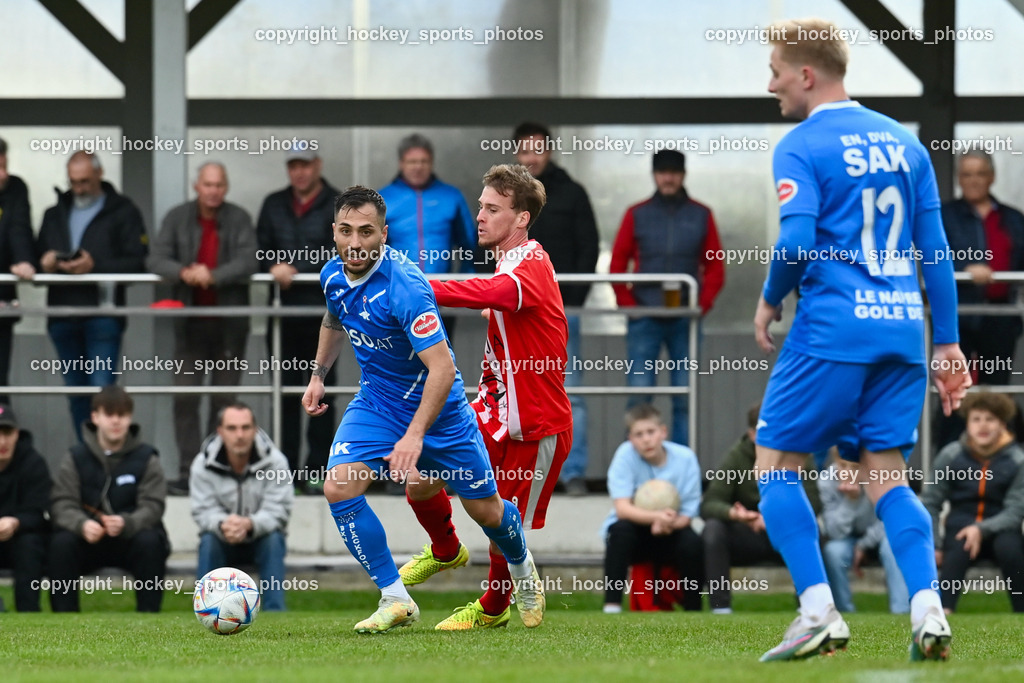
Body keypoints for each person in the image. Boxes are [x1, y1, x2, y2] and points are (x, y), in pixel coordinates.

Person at [753, 18, 971, 661]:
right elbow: (936, 252)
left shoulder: (800, 144)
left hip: (832, 329)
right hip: (902, 332)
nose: (770, 85)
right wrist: (947, 344)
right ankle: (929, 611)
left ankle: (817, 612)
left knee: (775, 467)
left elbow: (796, 240)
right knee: (887, 476)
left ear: (806, 74)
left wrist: (769, 299)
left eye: (775, 72)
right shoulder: (907, 143)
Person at [301, 185, 544, 633]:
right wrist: (318, 374)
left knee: (487, 512)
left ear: (384, 234)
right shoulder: (332, 274)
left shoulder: (406, 286)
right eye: (346, 231)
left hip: (442, 415)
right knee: (338, 486)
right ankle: (396, 598)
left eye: (366, 232)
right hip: (377, 403)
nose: (355, 243)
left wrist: (414, 435)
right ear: (334, 231)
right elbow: (335, 316)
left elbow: (443, 370)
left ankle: (523, 567)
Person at [399, 164, 574, 629]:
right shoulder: (507, 260)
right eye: (481, 206)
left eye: (493, 209)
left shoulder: (530, 262)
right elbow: (497, 296)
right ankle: (445, 549)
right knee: (418, 474)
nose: (480, 216)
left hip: (534, 424)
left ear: (521, 219)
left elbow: (492, 292)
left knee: (499, 524)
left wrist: (417, 286)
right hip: (492, 410)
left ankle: (493, 609)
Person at [148, 162, 258, 494]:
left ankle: (217, 470)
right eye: (207, 185)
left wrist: (213, 276)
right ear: (197, 186)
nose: (213, 191)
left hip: (229, 327)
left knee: (224, 402)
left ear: (226, 187)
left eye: (219, 185)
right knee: (185, 399)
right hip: (190, 325)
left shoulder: (239, 218)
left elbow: (249, 259)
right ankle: (189, 473)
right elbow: (155, 259)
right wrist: (184, 273)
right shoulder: (177, 217)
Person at [610, 149, 725, 447]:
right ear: (654, 175)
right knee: (639, 395)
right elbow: (617, 264)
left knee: (685, 397)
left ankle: (682, 466)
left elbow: (715, 266)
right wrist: (630, 307)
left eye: (674, 172)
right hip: (644, 318)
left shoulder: (702, 214)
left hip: (685, 319)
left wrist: (701, 306)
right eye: (663, 172)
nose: (668, 178)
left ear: (683, 175)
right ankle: (633, 466)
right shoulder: (636, 213)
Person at [37, 151, 148, 442]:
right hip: (62, 314)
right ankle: (87, 456)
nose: (79, 189)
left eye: (85, 181)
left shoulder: (123, 211)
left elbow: (138, 262)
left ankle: (106, 456)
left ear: (100, 174)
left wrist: (94, 267)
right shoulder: (54, 213)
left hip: (103, 315)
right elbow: (34, 257)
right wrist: (45, 262)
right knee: (76, 395)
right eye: (73, 182)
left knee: (103, 394)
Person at [514, 122, 598, 496]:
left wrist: (573, 300)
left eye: (538, 149)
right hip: (515, 311)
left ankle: (572, 472)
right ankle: (523, 473)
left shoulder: (573, 193)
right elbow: (487, 241)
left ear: (549, 151)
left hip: (562, 312)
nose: (531, 157)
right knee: (516, 390)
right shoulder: (507, 194)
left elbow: (589, 247)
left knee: (569, 389)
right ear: (516, 153)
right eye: (525, 150)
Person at [257, 149, 341, 491]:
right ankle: (287, 469)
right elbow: (258, 248)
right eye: (293, 165)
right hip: (283, 316)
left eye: (305, 164)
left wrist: (296, 270)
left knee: (322, 392)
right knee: (285, 393)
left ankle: (318, 469)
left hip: (327, 314)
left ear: (318, 165)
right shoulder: (273, 203)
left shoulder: (338, 203)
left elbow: (345, 249)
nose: (300, 172)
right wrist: (271, 266)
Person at [49, 386, 169, 612]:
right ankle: (63, 619)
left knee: (151, 542)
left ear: (130, 418)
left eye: (122, 415)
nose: (116, 421)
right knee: (61, 543)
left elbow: (153, 505)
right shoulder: (75, 457)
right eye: (109, 414)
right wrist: (82, 525)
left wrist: (127, 522)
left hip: (131, 538)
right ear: (95, 417)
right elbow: (61, 503)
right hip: (87, 539)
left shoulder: (147, 458)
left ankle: (150, 617)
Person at [935, 151, 1024, 448]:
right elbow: (931, 258)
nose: (973, 181)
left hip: (1001, 317)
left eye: (980, 174)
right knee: (953, 388)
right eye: (967, 174)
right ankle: (947, 459)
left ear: (992, 177)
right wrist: (964, 269)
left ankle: (1004, 460)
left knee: (997, 390)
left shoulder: (1013, 218)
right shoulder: (944, 216)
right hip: (957, 318)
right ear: (959, 179)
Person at [700, 402, 819, 614]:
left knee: (815, 532)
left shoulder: (799, 454)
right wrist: (735, 514)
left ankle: (814, 607)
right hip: (748, 532)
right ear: (752, 434)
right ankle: (720, 608)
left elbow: (814, 503)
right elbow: (709, 503)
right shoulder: (736, 456)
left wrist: (774, 518)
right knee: (713, 530)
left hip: (787, 531)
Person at [921, 392, 1024, 613]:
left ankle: (1021, 612)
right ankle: (943, 613)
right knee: (957, 548)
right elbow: (930, 502)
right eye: (976, 419)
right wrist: (934, 544)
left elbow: (1016, 510)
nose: (982, 426)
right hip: (960, 526)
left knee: (1011, 549)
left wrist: (980, 529)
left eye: (990, 419)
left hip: (1001, 527)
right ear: (967, 423)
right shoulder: (950, 455)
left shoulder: (1018, 460)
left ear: (1003, 424)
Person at [190, 403, 293, 611]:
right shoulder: (202, 463)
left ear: (255, 430)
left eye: (246, 427)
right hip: (222, 537)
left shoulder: (276, 462)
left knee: (274, 540)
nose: (240, 435)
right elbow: (202, 510)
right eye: (232, 428)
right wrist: (223, 524)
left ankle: (276, 612)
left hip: (260, 537)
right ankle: (205, 610)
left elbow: (279, 509)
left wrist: (249, 524)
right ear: (220, 431)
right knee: (208, 541)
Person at [601, 404, 702, 613]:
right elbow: (623, 509)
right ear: (630, 439)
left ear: (663, 432)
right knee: (618, 531)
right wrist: (657, 517)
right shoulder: (624, 456)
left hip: (672, 528)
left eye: (651, 432)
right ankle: (611, 606)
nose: (646, 439)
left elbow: (688, 513)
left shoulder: (686, 458)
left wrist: (668, 524)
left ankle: (693, 610)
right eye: (639, 434)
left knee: (692, 543)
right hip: (637, 532)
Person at [819, 454, 909, 614]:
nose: (848, 472)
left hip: (879, 536)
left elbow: (888, 521)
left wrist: (862, 546)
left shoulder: (880, 477)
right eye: (843, 465)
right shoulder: (827, 481)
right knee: (833, 552)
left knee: (892, 547)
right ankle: (843, 613)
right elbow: (834, 532)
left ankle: (901, 611)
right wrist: (850, 501)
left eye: (855, 467)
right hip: (846, 538)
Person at [378, 133, 476, 276]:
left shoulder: (452, 197)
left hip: (441, 284)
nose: (418, 167)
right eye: (412, 162)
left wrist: (464, 281)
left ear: (432, 163)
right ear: (401, 163)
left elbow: (470, 247)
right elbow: (372, 248)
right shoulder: (383, 199)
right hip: (397, 284)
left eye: (424, 161)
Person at [0, 404, 51, 612]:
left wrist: (16, 522)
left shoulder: (33, 462)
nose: (2, 442)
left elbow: (39, 512)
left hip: (20, 537)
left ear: (17, 434)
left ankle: (28, 612)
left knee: (30, 544)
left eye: (7, 433)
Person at [0, 137, 38, 404]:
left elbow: (19, 228)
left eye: (5, 166)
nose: (3, 175)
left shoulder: (15, 188)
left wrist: (24, 260)